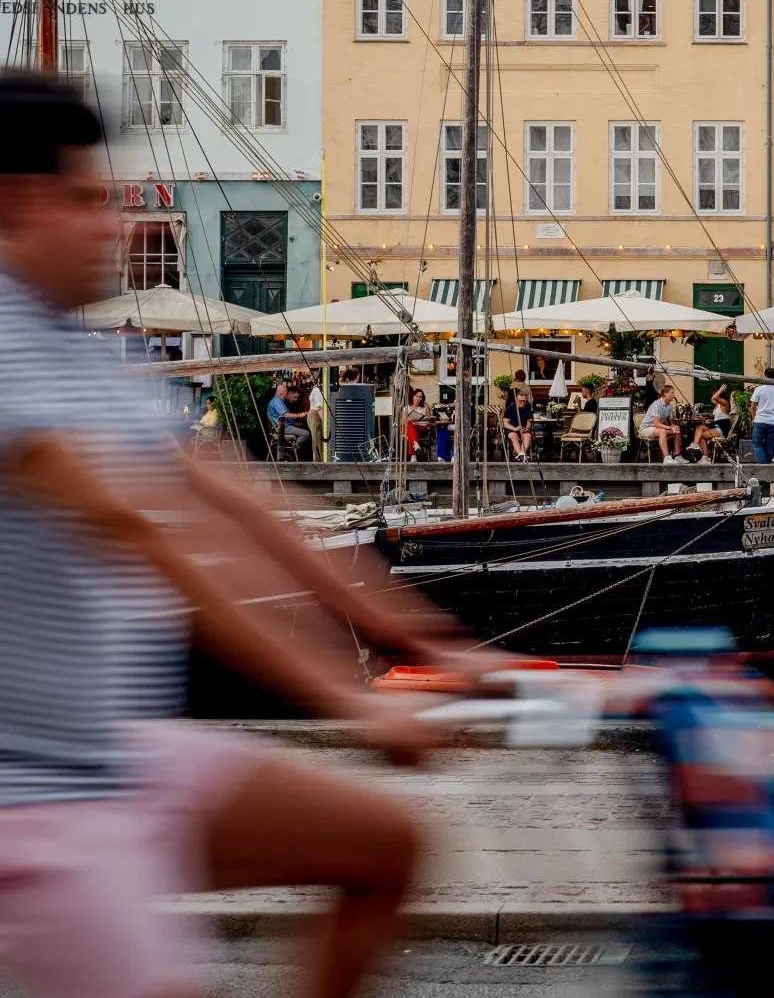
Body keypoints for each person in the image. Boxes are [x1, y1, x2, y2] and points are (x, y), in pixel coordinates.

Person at [0, 71, 506, 998]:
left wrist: (431, 641)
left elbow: (237, 498)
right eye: (88, 201)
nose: (116, 227)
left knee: (384, 846)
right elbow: (139, 537)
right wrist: (347, 701)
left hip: (116, 756)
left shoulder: (70, 344)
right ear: (18, 204)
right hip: (34, 801)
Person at [267, 379, 311, 457]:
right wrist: (299, 415)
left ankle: (295, 455)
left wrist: (295, 423)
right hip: (282, 428)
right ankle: (293, 455)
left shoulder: (277, 401)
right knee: (305, 434)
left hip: (284, 426)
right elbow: (285, 415)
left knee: (304, 429)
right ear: (283, 392)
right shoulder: (277, 401)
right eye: (286, 393)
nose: (286, 395)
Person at [640, 387, 682, 461]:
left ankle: (677, 455)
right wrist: (670, 428)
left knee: (678, 431)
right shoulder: (657, 404)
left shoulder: (669, 406)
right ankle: (667, 458)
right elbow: (657, 424)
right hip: (646, 428)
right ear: (665, 394)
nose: (673, 394)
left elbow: (671, 422)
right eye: (672, 392)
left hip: (657, 428)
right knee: (662, 431)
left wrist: (674, 426)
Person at [502, 383, 535, 461]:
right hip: (512, 428)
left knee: (528, 436)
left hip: (523, 428)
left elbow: (529, 421)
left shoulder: (528, 407)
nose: (522, 403)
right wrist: (515, 428)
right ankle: (521, 454)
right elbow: (505, 423)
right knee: (514, 436)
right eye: (520, 401)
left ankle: (521, 454)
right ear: (516, 400)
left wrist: (527, 428)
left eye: (524, 401)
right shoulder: (510, 408)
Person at [401, 386, 432, 461]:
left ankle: (413, 456)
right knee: (410, 425)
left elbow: (430, 419)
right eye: (416, 396)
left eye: (420, 397)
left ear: (422, 398)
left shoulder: (425, 406)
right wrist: (411, 420)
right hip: (409, 427)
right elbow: (402, 421)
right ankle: (415, 444)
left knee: (410, 429)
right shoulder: (406, 407)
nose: (418, 398)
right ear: (413, 396)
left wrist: (420, 421)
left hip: (421, 427)